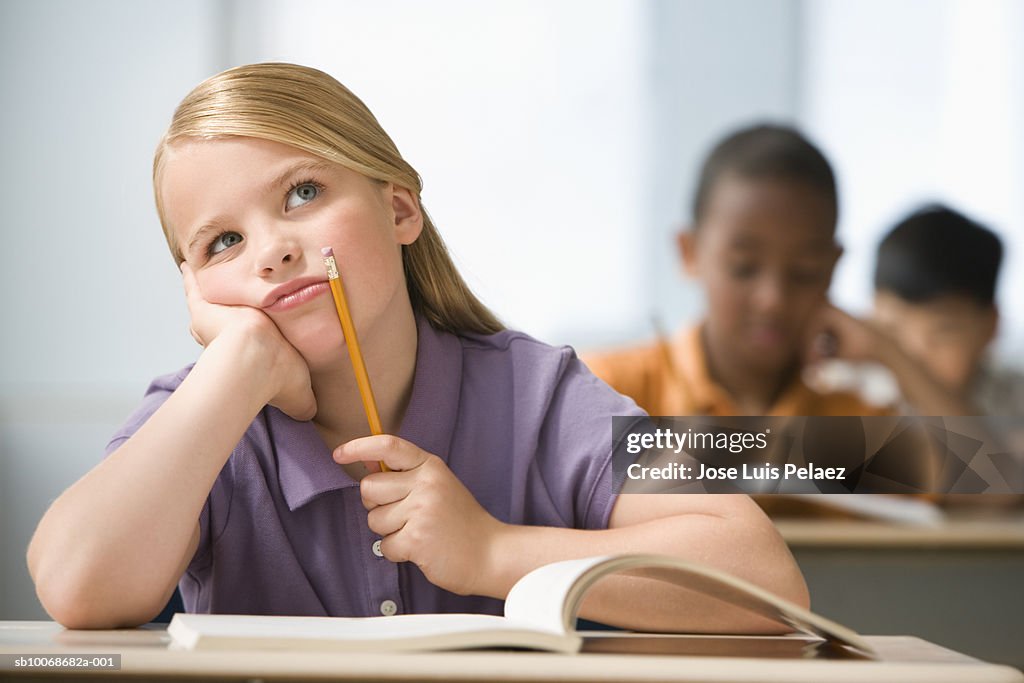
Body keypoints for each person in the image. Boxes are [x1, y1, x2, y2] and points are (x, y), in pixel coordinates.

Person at [26, 64, 807, 631]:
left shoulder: (542, 395)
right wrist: (237, 367)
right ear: (196, 291)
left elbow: (764, 578)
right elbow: (74, 584)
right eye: (223, 241)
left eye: (303, 193)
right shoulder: (198, 415)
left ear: (399, 208)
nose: (270, 250)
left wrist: (493, 549)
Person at [584, 124, 885, 417]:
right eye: (743, 268)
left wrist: (886, 350)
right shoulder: (605, 392)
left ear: (832, 267)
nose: (773, 300)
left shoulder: (858, 417)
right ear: (689, 252)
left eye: (804, 271)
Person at [806, 205, 1024, 416]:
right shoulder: (841, 389)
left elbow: (989, 452)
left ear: (990, 326)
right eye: (892, 331)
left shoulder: (1015, 399)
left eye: (941, 333)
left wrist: (889, 351)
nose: (914, 353)